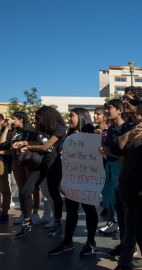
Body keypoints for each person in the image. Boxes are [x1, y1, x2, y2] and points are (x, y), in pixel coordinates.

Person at [113, 94, 142, 270]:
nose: (139, 109)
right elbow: (117, 146)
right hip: (130, 194)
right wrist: (132, 133)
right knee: (136, 236)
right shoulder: (135, 129)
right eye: (138, 106)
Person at [48, 108, 99, 256]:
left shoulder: (93, 134)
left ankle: (91, 242)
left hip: (88, 180)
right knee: (71, 211)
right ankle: (67, 242)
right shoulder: (68, 134)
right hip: (72, 180)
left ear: (81, 117)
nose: (69, 118)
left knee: (89, 209)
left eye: (72, 116)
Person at [13, 106, 67, 239]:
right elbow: (36, 141)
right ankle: (27, 222)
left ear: (47, 115)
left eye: (40, 117)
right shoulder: (41, 128)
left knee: (54, 193)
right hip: (39, 163)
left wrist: (28, 146)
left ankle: (58, 221)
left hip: (53, 163)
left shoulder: (59, 128)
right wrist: (23, 142)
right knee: (25, 190)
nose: (38, 119)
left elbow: (46, 146)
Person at [98, 99, 126, 234]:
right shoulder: (109, 130)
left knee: (122, 206)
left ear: (120, 110)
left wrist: (111, 153)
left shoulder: (126, 129)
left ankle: (128, 244)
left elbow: (127, 154)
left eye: (110, 108)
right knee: (113, 202)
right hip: (109, 169)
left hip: (122, 172)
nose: (107, 111)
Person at [0, 113, 12, 224]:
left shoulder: (7, 133)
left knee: (4, 189)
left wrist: (6, 129)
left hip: (2, 163)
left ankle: (4, 212)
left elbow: (9, 150)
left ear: (2, 121)